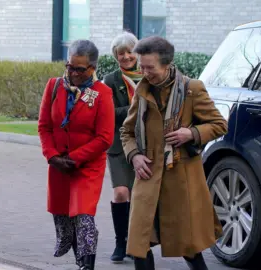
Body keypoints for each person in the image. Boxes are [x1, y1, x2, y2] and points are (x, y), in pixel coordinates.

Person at [119, 36, 228, 270]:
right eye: (142, 66)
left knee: (189, 248)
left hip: (180, 180)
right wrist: (135, 156)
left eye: (150, 67)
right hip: (147, 177)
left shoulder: (192, 89)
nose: (144, 72)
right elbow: (127, 132)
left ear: (167, 65)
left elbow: (220, 124)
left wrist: (191, 133)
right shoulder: (142, 90)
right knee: (139, 245)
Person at [37, 39, 115, 270]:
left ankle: (86, 265)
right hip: (58, 163)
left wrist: (74, 158)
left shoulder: (101, 93)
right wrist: (52, 156)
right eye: (69, 66)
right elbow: (44, 127)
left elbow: (104, 138)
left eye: (79, 69)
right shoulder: (53, 87)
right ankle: (79, 258)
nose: (73, 73)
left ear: (92, 68)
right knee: (65, 217)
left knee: (83, 216)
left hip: (87, 165)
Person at [102, 31, 143, 263]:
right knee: (121, 193)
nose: (126, 57)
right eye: (121, 53)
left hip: (146, 145)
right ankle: (121, 241)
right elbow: (108, 114)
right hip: (119, 144)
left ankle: (136, 243)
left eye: (130, 52)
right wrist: (135, 108)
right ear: (115, 56)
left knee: (140, 196)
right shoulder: (111, 80)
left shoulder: (148, 76)